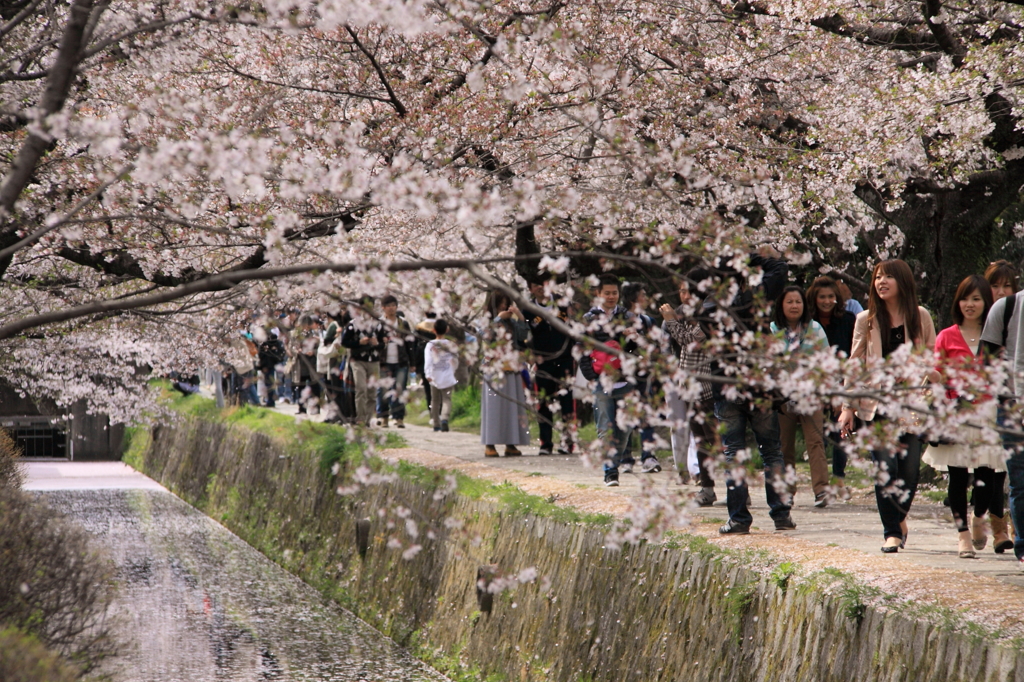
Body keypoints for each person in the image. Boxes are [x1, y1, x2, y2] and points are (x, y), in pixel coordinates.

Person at [838, 259, 937, 553]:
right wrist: (848, 407)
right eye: (878, 277)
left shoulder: (920, 317)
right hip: (875, 406)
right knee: (885, 468)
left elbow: (932, 359)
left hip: (910, 406)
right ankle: (891, 532)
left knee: (908, 473)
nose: (881, 282)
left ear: (902, 282)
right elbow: (855, 364)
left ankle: (899, 518)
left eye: (888, 277)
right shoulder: (865, 319)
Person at [701, 248, 794, 534]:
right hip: (759, 385)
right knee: (772, 452)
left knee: (734, 453)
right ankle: (781, 514)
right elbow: (779, 268)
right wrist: (754, 257)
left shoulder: (708, 307)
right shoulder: (756, 297)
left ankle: (739, 519)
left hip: (727, 387)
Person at [923, 275, 1008, 558]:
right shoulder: (946, 335)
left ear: (986, 303)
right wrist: (932, 375)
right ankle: (962, 537)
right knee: (957, 478)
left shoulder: (997, 334)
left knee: (986, 478)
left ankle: (978, 517)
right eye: (964, 298)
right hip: (955, 414)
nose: (969, 304)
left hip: (987, 415)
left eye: (976, 299)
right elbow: (938, 370)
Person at [578, 275, 643, 486]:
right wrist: (591, 376)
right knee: (605, 426)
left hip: (624, 380)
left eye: (614, 293)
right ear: (598, 294)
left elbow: (635, 350)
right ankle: (610, 471)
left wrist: (629, 339)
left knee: (625, 428)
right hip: (600, 380)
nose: (611, 297)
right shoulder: (589, 319)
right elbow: (583, 349)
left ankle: (614, 462)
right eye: (607, 293)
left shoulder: (628, 316)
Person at [660, 270, 718, 505]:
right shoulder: (688, 315)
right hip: (689, 388)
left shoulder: (709, 316)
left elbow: (689, 340)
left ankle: (734, 490)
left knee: (713, 440)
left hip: (706, 389)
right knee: (701, 439)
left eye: (687, 291)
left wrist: (670, 320)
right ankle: (707, 488)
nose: (683, 296)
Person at [770, 285, 831, 507]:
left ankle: (822, 490)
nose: (794, 306)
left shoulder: (814, 329)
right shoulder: (772, 329)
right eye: (790, 302)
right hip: (783, 397)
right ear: (781, 305)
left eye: (798, 301)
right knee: (783, 445)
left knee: (815, 441)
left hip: (811, 393)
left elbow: (826, 360)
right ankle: (787, 491)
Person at [980, 264, 1024, 570]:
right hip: (1012, 406)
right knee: (1020, 481)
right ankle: (1023, 546)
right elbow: (988, 361)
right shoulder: (1006, 307)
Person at [807, 276, 858, 497]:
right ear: (814, 299)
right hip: (815, 381)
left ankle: (839, 478)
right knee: (816, 433)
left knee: (841, 430)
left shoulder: (848, 319)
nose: (827, 301)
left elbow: (853, 353)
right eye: (822, 297)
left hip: (841, 380)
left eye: (831, 297)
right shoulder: (807, 322)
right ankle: (820, 484)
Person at [527, 278, 576, 455]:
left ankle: (567, 442)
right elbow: (522, 333)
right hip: (542, 361)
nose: (541, 287)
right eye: (536, 284)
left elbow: (575, 328)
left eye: (544, 283)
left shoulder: (563, 303)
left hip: (565, 359)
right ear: (531, 288)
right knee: (544, 402)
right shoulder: (527, 308)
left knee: (567, 403)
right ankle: (546, 443)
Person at [480, 290, 531, 457]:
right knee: (494, 407)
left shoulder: (511, 323)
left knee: (512, 406)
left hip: (511, 366)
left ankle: (511, 443)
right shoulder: (488, 320)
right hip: (493, 367)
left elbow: (523, 335)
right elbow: (487, 338)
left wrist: (519, 316)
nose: (504, 306)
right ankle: (490, 444)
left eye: (506, 302)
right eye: (501, 303)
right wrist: (498, 319)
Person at [620, 281, 660, 472]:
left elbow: (657, 347)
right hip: (623, 374)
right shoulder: (618, 320)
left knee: (646, 414)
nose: (645, 298)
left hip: (644, 373)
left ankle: (648, 456)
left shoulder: (648, 321)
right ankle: (626, 457)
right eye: (642, 295)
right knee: (626, 415)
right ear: (632, 298)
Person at [341, 297, 386, 427]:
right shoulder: (352, 324)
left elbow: (384, 344)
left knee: (372, 391)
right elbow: (344, 342)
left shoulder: (378, 324)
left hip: (374, 360)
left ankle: (367, 419)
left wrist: (378, 343)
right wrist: (358, 343)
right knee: (361, 388)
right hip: (358, 360)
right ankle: (360, 418)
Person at [376, 295, 414, 428]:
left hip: (401, 361)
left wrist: (412, 362)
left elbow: (410, 343)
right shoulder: (379, 323)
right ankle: (383, 417)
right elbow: (374, 342)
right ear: (383, 308)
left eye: (394, 305)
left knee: (400, 389)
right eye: (389, 306)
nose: (392, 308)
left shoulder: (403, 323)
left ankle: (399, 418)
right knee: (383, 390)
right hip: (383, 362)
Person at [424, 318, 459, 432]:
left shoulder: (430, 344)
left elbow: (428, 360)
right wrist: (452, 371)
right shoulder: (451, 344)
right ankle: (444, 419)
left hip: (434, 376)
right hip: (448, 376)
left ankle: (436, 423)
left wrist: (427, 373)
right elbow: (455, 360)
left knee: (435, 400)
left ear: (433, 330)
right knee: (447, 399)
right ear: (447, 330)